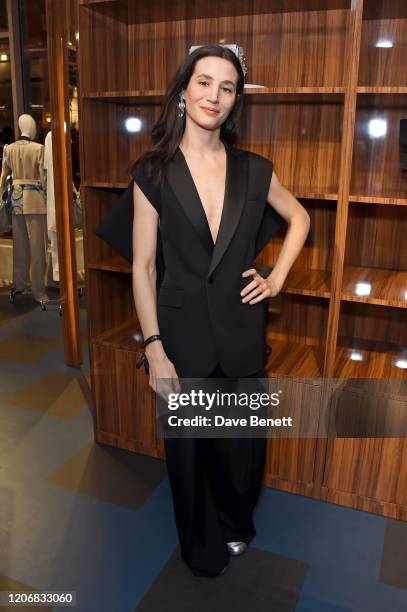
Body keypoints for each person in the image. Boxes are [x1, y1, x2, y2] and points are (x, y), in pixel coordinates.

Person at [131, 44, 310, 578]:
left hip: (240, 332)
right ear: (184, 90)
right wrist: (154, 349)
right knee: (187, 456)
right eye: (204, 82)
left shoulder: (254, 171)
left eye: (227, 87)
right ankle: (198, 544)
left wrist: (276, 278)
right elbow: (142, 267)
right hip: (179, 338)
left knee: (240, 451)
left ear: (235, 101)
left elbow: (299, 218)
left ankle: (237, 523)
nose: (214, 95)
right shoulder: (153, 171)